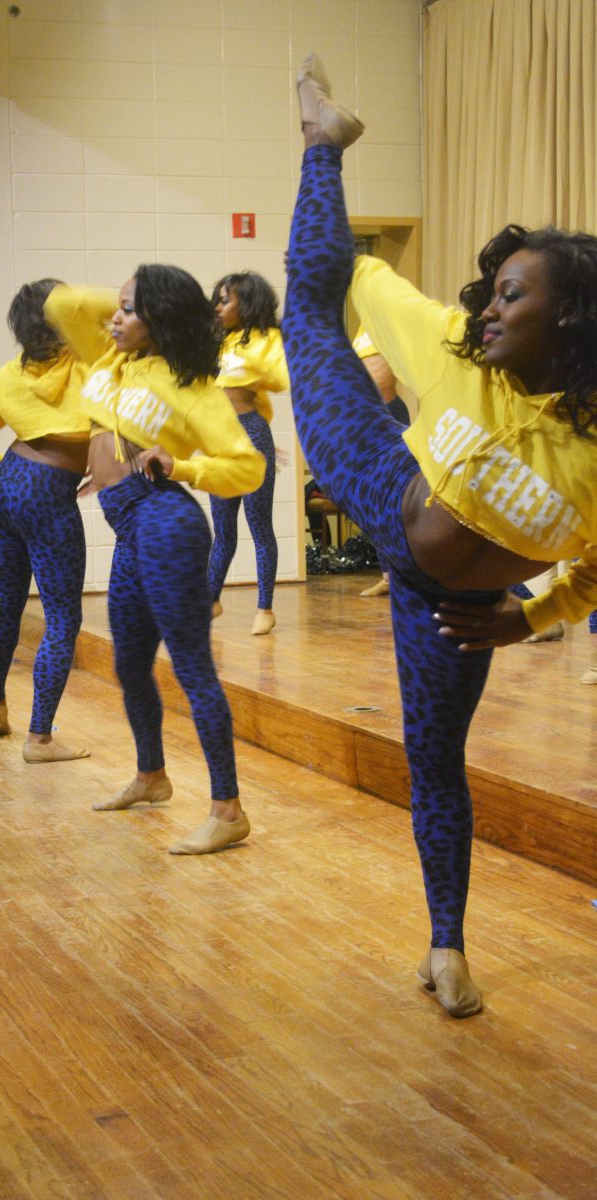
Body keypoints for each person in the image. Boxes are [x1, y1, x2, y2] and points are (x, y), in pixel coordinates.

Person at [283, 54, 597, 1017]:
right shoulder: (461, 354)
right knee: (304, 304)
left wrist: (528, 620)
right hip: (384, 482)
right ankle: (322, 148)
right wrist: (333, 217)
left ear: (574, 317)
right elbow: (354, 279)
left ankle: (447, 947)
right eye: (492, 290)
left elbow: (594, 574)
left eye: (512, 294)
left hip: (451, 606)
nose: (488, 307)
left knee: (434, 762)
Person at [44, 266, 264, 854]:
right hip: (131, 530)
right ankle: (151, 777)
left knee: (193, 671)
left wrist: (185, 466)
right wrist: (136, 290)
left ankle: (228, 809)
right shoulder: (115, 359)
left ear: (159, 320)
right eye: (115, 308)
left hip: (165, 523)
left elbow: (248, 466)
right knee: (130, 666)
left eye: (128, 310)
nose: (112, 318)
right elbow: (65, 303)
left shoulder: (189, 386)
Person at [0, 280, 91, 764]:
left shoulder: (5, 376)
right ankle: (40, 739)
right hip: (47, 492)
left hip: (6, 485)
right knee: (63, 617)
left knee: (7, 602)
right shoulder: (87, 361)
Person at [208, 272, 289, 635]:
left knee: (259, 527)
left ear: (248, 303)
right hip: (219, 441)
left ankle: (265, 607)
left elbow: (282, 377)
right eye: (218, 300)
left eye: (225, 300)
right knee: (223, 532)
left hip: (252, 435)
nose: (218, 307)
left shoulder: (268, 339)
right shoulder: (218, 342)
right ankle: (210, 600)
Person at [352, 328, 410, 598]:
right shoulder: (361, 331)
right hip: (365, 418)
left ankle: (406, 572)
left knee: (396, 499)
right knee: (371, 500)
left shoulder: (388, 318)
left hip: (389, 413)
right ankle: (387, 575)